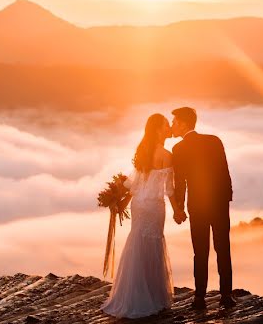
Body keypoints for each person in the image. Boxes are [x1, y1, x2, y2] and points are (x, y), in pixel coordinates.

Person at [101, 113, 178, 319]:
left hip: (139, 204)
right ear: (158, 129)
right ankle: (151, 296)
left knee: (136, 241)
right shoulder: (166, 155)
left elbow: (134, 183)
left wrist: (121, 195)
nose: (168, 128)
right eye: (165, 126)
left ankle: (131, 294)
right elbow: (169, 190)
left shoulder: (143, 150)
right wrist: (178, 210)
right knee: (153, 244)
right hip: (153, 205)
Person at [171, 106, 235, 310]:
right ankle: (226, 296)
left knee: (200, 252)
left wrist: (179, 208)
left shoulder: (179, 149)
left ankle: (199, 298)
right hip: (219, 203)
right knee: (223, 249)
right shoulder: (214, 140)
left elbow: (179, 181)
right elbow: (225, 172)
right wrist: (226, 198)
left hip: (197, 205)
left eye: (174, 122)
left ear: (182, 123)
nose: (172, 126)